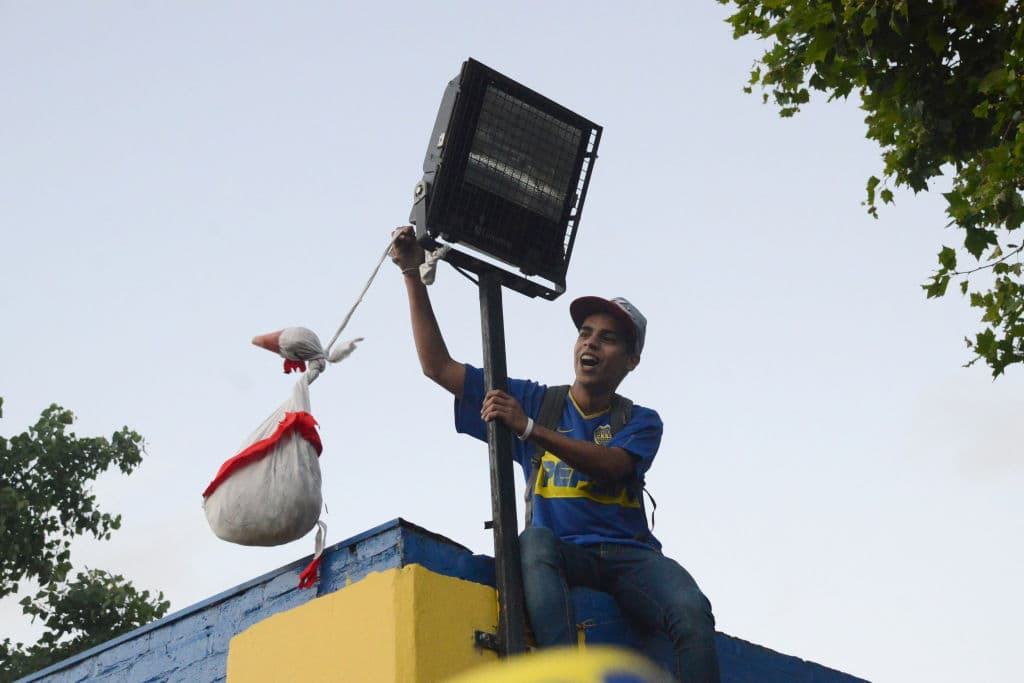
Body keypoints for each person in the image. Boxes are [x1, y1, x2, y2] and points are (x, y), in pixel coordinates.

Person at [391, 226, 719, 682]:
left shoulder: (640, 420)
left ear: (631, 361)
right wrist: (410, 273)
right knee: (535, 542)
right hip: (564, 553)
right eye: (585, 333)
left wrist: (528, 429)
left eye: (608, 338)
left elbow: (612, 467)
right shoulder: (540, 399)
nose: (591, 343)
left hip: (630, 557)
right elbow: (437, 366)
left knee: (691, 610)